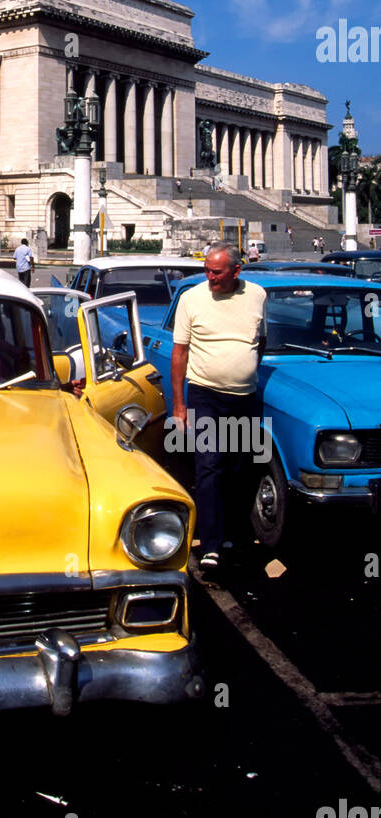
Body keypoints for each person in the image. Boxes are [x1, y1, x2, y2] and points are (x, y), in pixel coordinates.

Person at [171, 244, 266, 574]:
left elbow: (260, 341)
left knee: (238, 469)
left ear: (236, 271)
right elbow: (180, 353)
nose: (210, 277)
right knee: (209, 466)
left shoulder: (257, 295)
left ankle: (233, 535)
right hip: (205, 396)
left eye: (217, 272)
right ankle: (210, 544)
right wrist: (179, 405)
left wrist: (246, 367)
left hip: (243, 398)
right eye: (207, 270)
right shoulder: (192, 299)